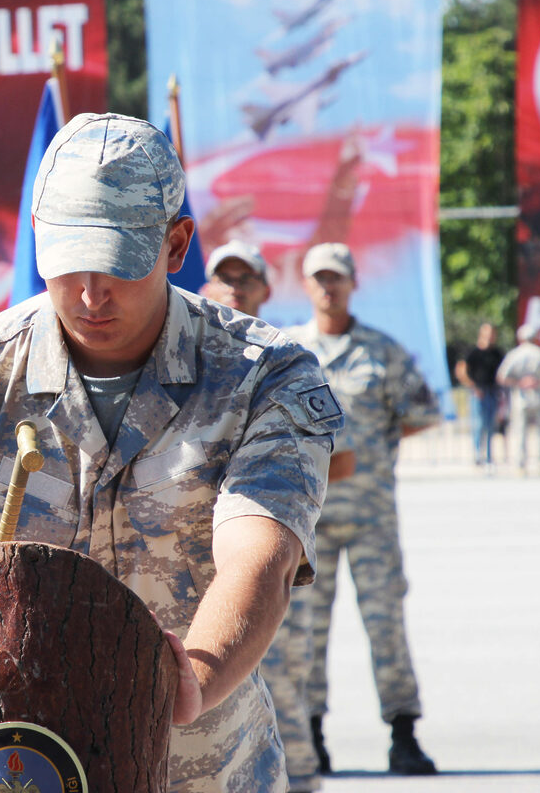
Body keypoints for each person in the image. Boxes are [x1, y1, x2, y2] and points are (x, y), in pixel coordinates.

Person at [0, 113, 344, 793]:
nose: (88, 293)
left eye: (116, 263)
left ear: (176, 245)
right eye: (67, 262)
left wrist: (188, 679)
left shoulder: (263, 374)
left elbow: (261, 558)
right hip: (13, 771)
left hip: (200, 773)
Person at [199, 240, 353, 793]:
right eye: (225, 278)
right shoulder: (185, 359)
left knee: (285, 692)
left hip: (272, 560)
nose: (235, 289)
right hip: (195, 582)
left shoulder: (286, 364)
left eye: (247, 279)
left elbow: (345, 453)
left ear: (266, 290)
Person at [284, 243, 441, 777]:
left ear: (353, 284)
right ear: (306, 285)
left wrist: (375, 447)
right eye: (320, 279)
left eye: (338, 279)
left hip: (372, 514)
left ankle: (403, 732)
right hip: (312, 517)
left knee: (386, 623)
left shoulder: (382, 351)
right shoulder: (292, 352)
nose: (329, 288)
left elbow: (420, 411)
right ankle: (311, 733)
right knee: (306, 628)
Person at [496, 324, 540, 476]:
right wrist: (537, 382)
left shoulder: (514, 355)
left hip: (520, 398)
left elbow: (502, 377)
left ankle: (520, 464)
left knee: (520, 431)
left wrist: (519, 383)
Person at [455, 324, 504, 472]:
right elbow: (461, 371)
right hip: (478, 393)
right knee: (478, 424)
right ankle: (477, 454)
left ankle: (489, 456)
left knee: (490, 425)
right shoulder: (472, 352)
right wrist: (473, 387)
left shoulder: (497, 353)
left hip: (492, 392)